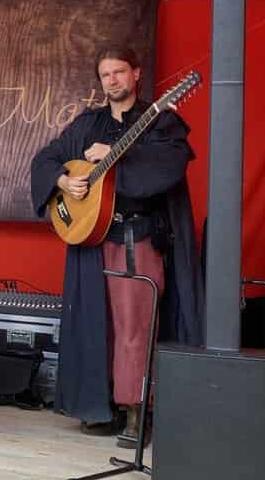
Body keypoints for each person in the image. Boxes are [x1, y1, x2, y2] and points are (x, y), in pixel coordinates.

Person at [30, 46, 202, 446]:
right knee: (96, 326)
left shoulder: (161, 122)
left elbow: (169, 169)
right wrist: (62, 180)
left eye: (119, 72)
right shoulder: (87, 125)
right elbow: (45, 159)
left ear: (137, 73)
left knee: (135, 328)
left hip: (136, 238)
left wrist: (118, 159)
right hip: (92, 243)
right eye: (105, 74)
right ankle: (98, 406)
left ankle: (135, 411)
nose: (112, 80)